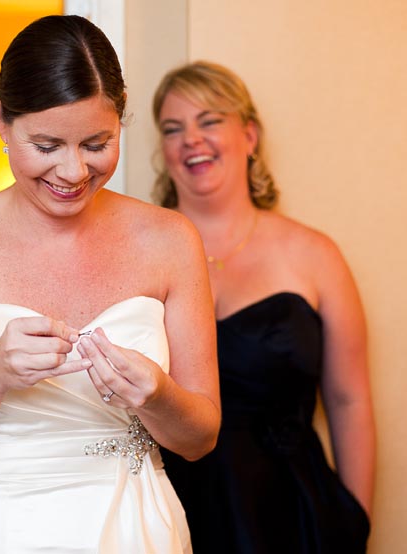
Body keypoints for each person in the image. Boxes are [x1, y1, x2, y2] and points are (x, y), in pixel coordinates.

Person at [0, 15, 221, 554]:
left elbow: (201, 438)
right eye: (47, 145)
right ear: (2, 120)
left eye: (96, 143)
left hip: (136, 530)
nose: (73, 171)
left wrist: (158, 394)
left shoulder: (170, 239)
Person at [151, 60, 376, 553]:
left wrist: (353, 519)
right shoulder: (138, 255)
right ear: (163, 150)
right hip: (170, 504)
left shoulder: (315, 255)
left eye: (209, 121)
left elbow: (348, 399)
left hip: (293, 510)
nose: (191, 138)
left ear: (249, 135)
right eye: (173, 128)